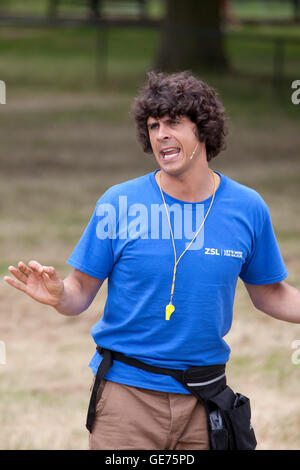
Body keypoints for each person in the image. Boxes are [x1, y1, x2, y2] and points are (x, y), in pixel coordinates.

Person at [4, 71, 300, 451]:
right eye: (153, 125)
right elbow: (79, 292)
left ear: (203, 130)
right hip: (127, 399)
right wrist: (60, 294)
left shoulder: (247, 208)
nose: (160, 134)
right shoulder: (119, 203)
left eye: (174, 123)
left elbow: (270, 293)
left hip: (204, 398)